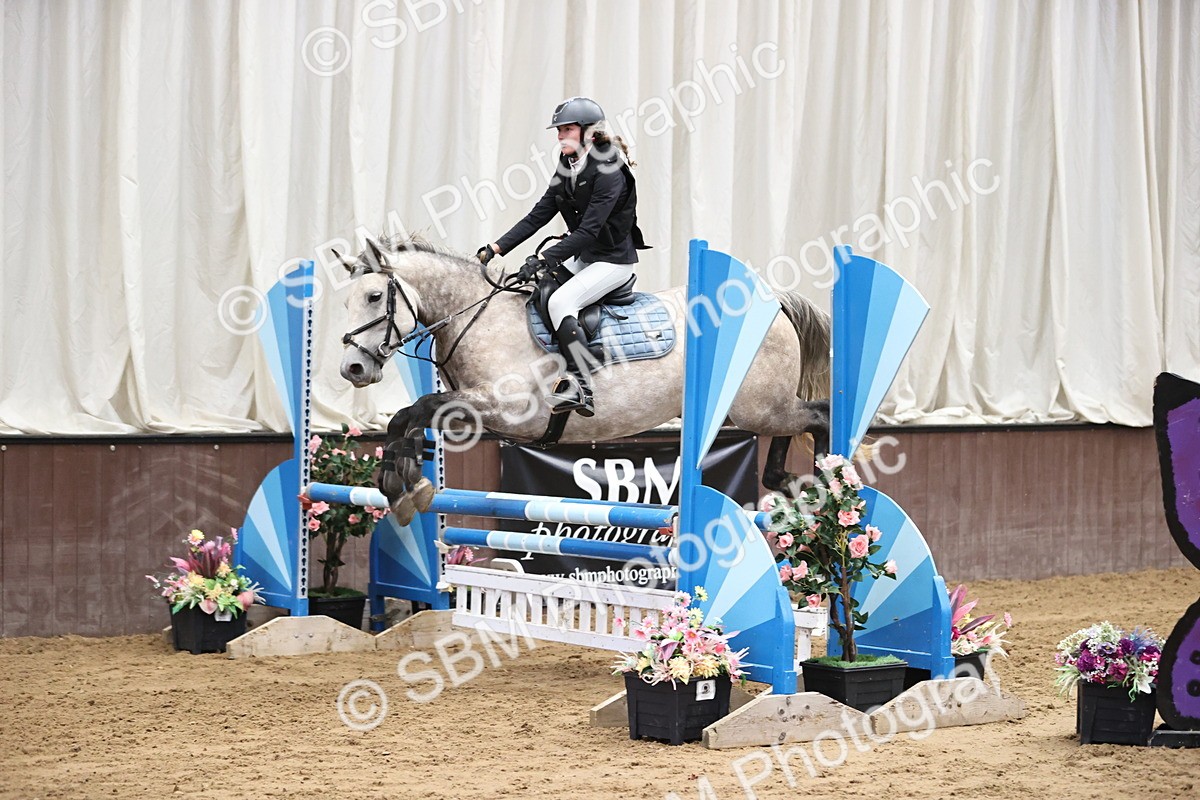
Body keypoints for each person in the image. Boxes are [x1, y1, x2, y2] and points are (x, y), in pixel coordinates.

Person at [477, 96, 647, 417]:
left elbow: (589, 230)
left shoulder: (609, 168)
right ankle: (567, 356)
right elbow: (540, 213)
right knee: (538, 290)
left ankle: (580, 385)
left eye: (567, 130)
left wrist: (545, 258)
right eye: (558, 131)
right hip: (585, 255)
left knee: (560, 302)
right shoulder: (568, 162)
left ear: (588, 131)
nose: (560, 137)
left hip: (612, 261)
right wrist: (496, 248)